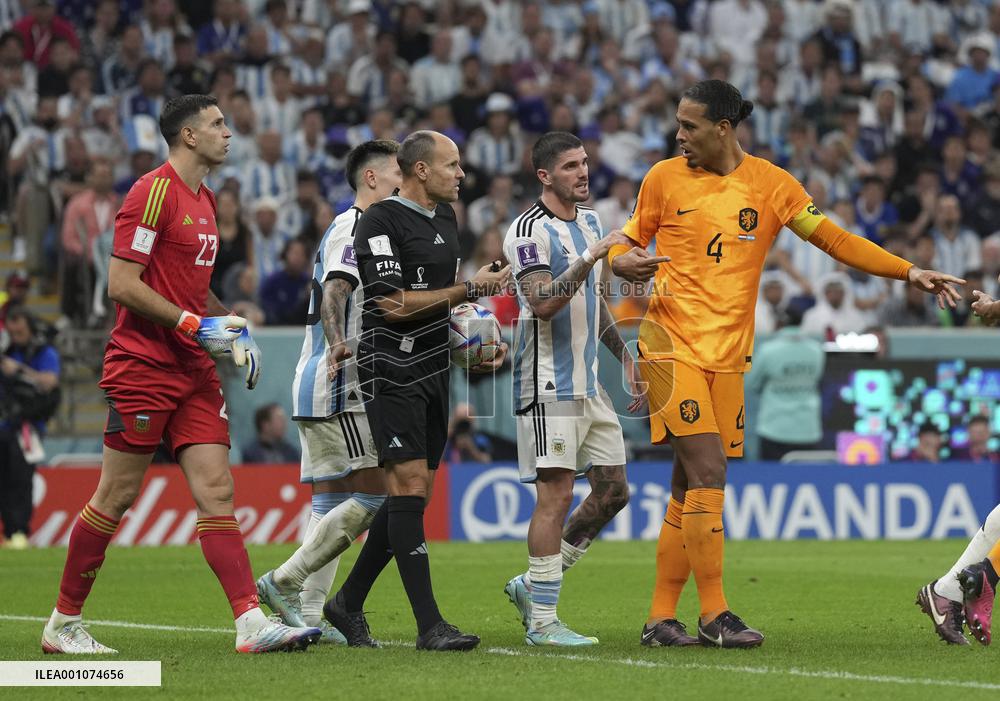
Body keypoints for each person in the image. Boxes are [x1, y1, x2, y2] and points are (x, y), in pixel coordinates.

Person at [609, 79, 962, 649]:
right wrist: (625, 263)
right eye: (678, 124)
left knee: (686, 484)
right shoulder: (662, 178)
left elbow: (837, 240)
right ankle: (715, 614)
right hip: (668, 344)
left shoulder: (772, 186)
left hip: (727, 354)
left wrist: (909, 271)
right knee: (709, 473)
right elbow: (626, 241)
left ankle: (658, 619)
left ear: (723, 129)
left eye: (690, 126)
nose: (679, 135)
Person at [41, 95, 319, 655]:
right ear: (188, 136)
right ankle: (62, 624)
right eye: (217, 125)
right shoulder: (152, 192)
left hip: (193, 368)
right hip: (143, 366)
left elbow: (189, 288)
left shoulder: (207, 198)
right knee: (116, 494)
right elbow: (122, 284)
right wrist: (194, 323)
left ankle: (250, 622)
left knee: (217, 490)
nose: (228, 133)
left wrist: (229, 323)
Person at [323, 130, 510, 651]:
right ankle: (431, 626)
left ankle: (346, 602)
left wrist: (475, 333)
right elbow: (392, 305)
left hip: (435, 370)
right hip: (390, 368)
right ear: (422, 170)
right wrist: (471, 288)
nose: (461, 174)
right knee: (406, 489)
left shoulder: (448, 219)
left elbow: (438, 301)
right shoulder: (379, 221)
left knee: (414, 494)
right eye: (452, 165)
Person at [499, 131, 646, 647]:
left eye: (584, 163)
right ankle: (542, 622)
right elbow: (542, 302)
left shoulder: (588, 221)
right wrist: (589, 258)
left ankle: (532, 585)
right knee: (556, 496)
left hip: (589, 384)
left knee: (612, 492)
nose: (583, 173)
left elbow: (594, 301)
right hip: (548, 382)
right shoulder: (525, 231)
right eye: (569, 166)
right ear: (545, 176)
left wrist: (625, 357)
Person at [254, 139, 402, 644]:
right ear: (372, 180)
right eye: (398, 174)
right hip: (340, 380)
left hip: (321, 379)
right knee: (378, 496)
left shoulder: (373, 230)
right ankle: (283, 581)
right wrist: (340, 347)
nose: (406, 184)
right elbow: (337, 288)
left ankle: (307, 615)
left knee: (330, 502)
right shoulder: (355, 225)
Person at [0, 306, 60, 550]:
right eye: (11, 327)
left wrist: (20, 372)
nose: (15, 332)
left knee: (21, 479)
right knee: (4, 479)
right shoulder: (7, 352)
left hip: (27, 428)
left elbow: (49, 382)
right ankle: (9, 533)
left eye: (19, 326)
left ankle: (19, 533)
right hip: (4, 425)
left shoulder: (45, 353)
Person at [745, 306, 825, 461]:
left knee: (772, 481)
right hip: (808, 428)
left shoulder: (768, 351)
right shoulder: (816, 350)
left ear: (779, 323)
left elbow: (751, 383)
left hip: (775, 427)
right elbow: (818, 380)